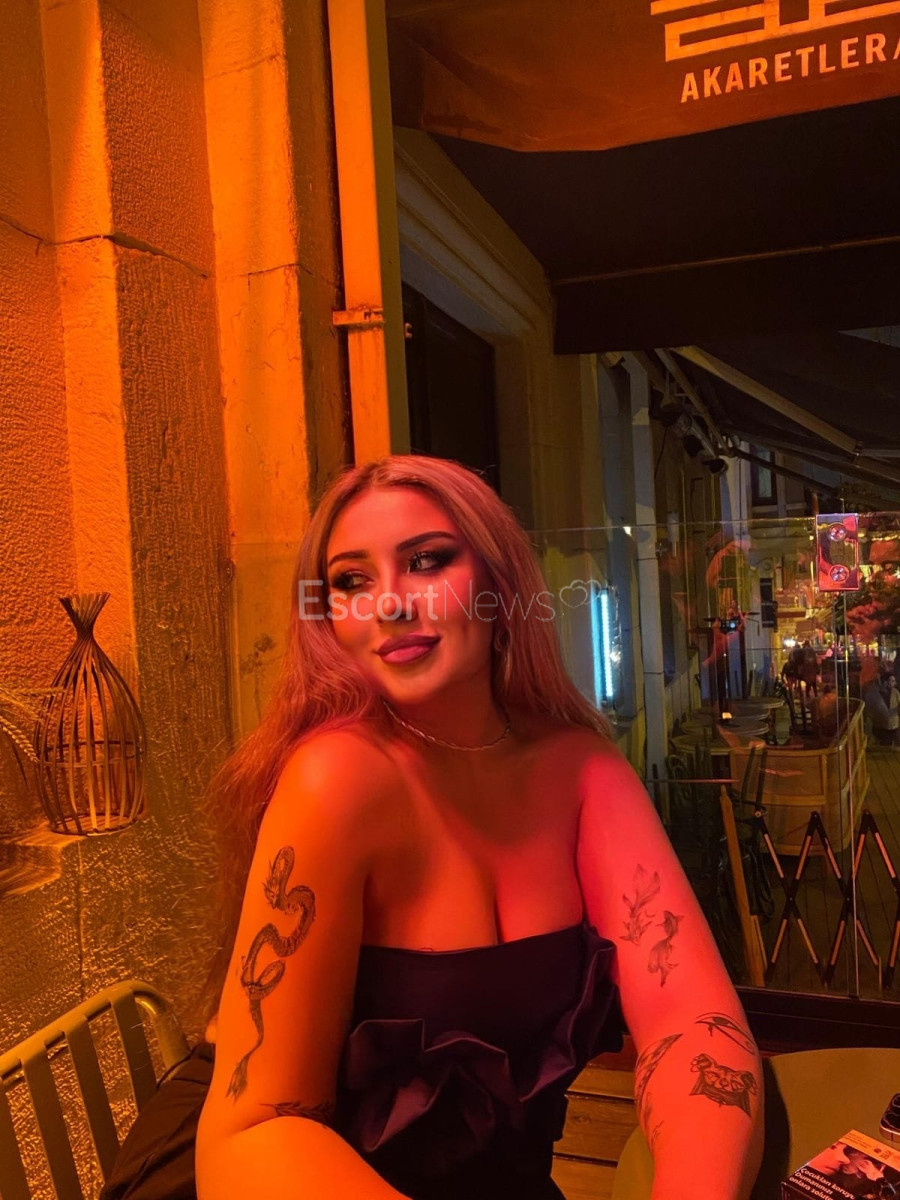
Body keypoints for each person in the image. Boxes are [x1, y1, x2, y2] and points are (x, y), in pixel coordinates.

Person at [137, 455, 761, 1200]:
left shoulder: (580, 768)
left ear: (500, 582)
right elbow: (257, 1129)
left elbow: (693, 1022)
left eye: (427, 561)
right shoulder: (336, 776)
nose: (388, 605)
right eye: (350, 581)